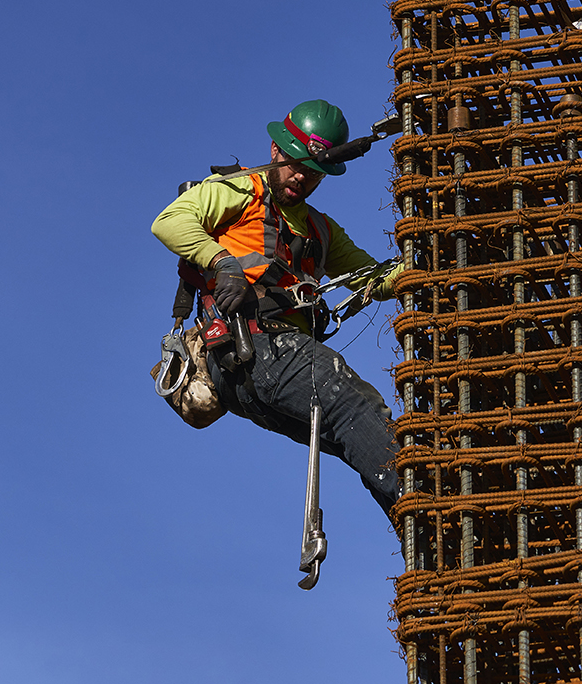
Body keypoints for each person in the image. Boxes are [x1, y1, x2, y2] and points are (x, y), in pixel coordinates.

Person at [151, 99, 403, 519]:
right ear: (275, 150)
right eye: (295, 162)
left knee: (355, 434)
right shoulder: (239, 189)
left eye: (314, 171)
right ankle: (426, 506)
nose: (301, 176)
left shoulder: (321, 230)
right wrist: (222, 263)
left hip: (264, 367)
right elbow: (169, 221)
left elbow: (372, 277)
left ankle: (421, 530)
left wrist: (424, 268)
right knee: (349, 399)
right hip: (247, 345)